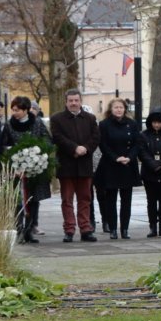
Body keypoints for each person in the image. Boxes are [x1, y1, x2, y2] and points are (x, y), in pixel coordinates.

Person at [51, 89, 100, 243]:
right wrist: (74, 148)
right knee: (67, 200)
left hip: (85, 165)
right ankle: (69, 230)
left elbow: (96, 137)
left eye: (76, 100)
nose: (73, 103)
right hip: (66, 165)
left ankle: (86, 229)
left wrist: (85, 148)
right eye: (70, 100)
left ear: (80, 101)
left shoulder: (90, 118)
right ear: (66, 102)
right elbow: (58, 137)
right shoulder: (57, 119)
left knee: (85, 199)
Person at [3, 96, 52, 244]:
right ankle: (18, 229)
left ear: (25, 110)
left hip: (35, 167)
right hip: (16, 170)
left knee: (33, 200)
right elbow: (4, 145)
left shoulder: (37, 123)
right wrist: (13, 160)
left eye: (17, 110)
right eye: (13, 110)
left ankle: (29, 230)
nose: (14, 113)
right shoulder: (9, 125)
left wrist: (39, 154)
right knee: (18, 200)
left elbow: (47, 140)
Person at [96, 98, 142, 239]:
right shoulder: (104, 124)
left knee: (126, 200)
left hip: (128, 165)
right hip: (111, 165)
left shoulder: (132, 124)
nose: (118, 110)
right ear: (111, 109)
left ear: (125, 109)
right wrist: (116, 158)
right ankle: (113, 229)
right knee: (111, 200)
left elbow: (137, 143)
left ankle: (125, 229)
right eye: (116, 107)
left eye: (121, 107)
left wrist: (130, 157)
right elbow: (103, 144)